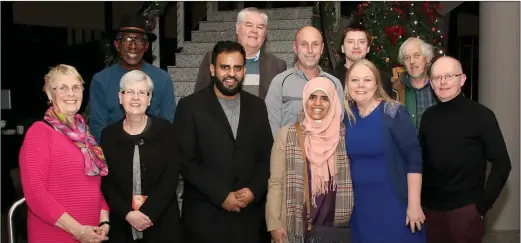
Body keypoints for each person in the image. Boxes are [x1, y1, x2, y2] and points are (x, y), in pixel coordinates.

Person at [175, 41, 273, 243]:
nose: (231, 74)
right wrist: (221, 195)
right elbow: (186, 161)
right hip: (205, 219)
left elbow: (266, 157)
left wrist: (254, 190)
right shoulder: (190, 106)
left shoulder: (258, 106)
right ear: (212, 70)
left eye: (237, 68)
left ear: (244, 71)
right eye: (224, 67)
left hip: (250, 222)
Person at [419, 56, 511, 243]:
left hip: (465, 211)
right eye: (437, 77)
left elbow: (502, 164)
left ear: (462, 79)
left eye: (449, 76)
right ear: (431, 83)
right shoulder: (428, 117)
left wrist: (482, 206)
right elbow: (422, 161)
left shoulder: (481, 115)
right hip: (430, 211)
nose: (443, 82)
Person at [19, 64, 110, 243]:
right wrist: (79, 231)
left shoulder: (85, 135)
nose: (71, 93)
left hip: (90, 234)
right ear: (49, 94)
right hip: (54, 235)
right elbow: (36, 194)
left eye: (76, 87)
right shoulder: (39, 133)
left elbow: (93, 185)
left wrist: (104, 221)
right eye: (62, 88)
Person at [344, 59, 426, 243]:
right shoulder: (347, 117)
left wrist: (414, 204)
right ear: (347, 84)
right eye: (355, 80)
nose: (361, 85)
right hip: (361, 208)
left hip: (393, 203)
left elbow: (414, 157)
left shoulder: (392, 112)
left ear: (376, 83)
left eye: (367, 80)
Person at [266, 77, 353, 243]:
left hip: (334, 221)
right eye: (312, 97)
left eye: (324, 98)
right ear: (305, 99)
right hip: (297, 221)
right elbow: (276, 182)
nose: (317, 104)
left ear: (333, 101)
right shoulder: (287, 134)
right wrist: (274, 223)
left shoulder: (344, 135)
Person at [100, 70, 182, 243]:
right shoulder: (108, 135)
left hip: (161, 222)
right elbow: (107, 181)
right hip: (122, 223)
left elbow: (171, 176)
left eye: (142, 92)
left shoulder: (167, 131)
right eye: (129, 92)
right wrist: (127, 213)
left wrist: (147, 214)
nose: (135, 97)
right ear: (120, 97)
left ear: (150, 98)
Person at [89, 14, 176, 143]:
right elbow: (97, 129)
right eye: (127, 39)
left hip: (154, 152)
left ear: (146, 46)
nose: (133, 46)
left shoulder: (162, 79)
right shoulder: (101, 80)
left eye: (139, 40)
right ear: (117, 45)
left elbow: (169, 124)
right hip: (114, 153)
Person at [265, 26, 344, 137]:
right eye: (304, 44)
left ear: (322, 49)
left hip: (326, 152)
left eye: (315, 44)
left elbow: (338, 124)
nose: (310, 50)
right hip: (288, 152)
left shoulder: (334, 84)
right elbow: (271, 125)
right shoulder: (280, 82)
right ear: (295, 47)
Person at [194, 7, 287, 99]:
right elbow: (199, 97)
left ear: (265, 33)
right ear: (237, 28)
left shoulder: (277, 65)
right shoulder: (213, 58)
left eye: (260, 27)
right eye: (249, 25)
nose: (254, 31)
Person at [331, 23, 393, 97]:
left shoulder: (382, 79)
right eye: (350, 42)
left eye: (362, 42)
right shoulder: (331, 79)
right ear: (343, 48)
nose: (356, 46)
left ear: (368, 48)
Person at [393, 37, 438, 128]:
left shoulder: (441, 87)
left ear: (427, 58)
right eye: (407, 58)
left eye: (417, 55)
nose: (412, 61)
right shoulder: (394, 91)